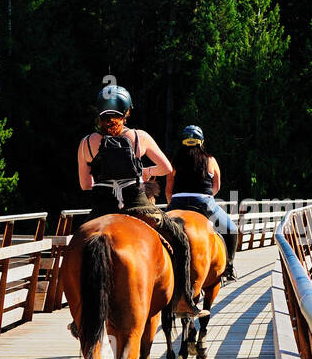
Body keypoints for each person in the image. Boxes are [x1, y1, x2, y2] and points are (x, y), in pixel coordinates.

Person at [77, 84, 207, 318]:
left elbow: (85, 185)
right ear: (126, 112)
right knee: (180, 241)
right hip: (138, 206)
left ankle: (80, 315)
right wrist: (144, 173)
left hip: (102, 209)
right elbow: (166, 168)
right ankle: (183, 301)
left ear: (99, 113)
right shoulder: (139, 137)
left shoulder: (86, 143)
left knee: (78, 250)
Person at [166, 125, 240, 281]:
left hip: (177, 201)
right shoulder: (210, 160)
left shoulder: (175, 162)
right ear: (201, 142)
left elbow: (168, 189)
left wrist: (171, 205)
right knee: (231, 229)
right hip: (203, 202)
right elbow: (217, 186)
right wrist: (207, 197)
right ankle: (229, 267)